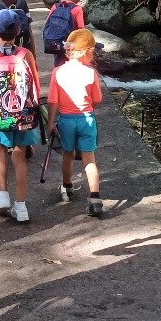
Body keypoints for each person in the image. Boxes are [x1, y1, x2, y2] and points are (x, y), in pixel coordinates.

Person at [0, 9, 41, 223]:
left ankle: (3, 195)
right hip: (24, 114)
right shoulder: (26, 54)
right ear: (19, 31)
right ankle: (21, 206)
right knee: (20, 156)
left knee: (0, 152)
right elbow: (36, 83)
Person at [46, 28, 105, 217]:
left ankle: (67, 187)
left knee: (68, 155)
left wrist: (51, 122)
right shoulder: (90, 73)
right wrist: (88, 105)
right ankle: (95, 199)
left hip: (66, 120)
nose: (93, 55)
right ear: (86, 52)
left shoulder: (58, 72)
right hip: (86, 118)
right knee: (89, 159)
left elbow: (53, 100)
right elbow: (97, 99)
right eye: (92, 52)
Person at [46, 0, 87, 67]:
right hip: (71, 49)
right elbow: (81, 31)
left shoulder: (55, 7)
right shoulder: (77, 9)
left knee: (59, 68)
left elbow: (47, 26)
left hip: (56, 45)